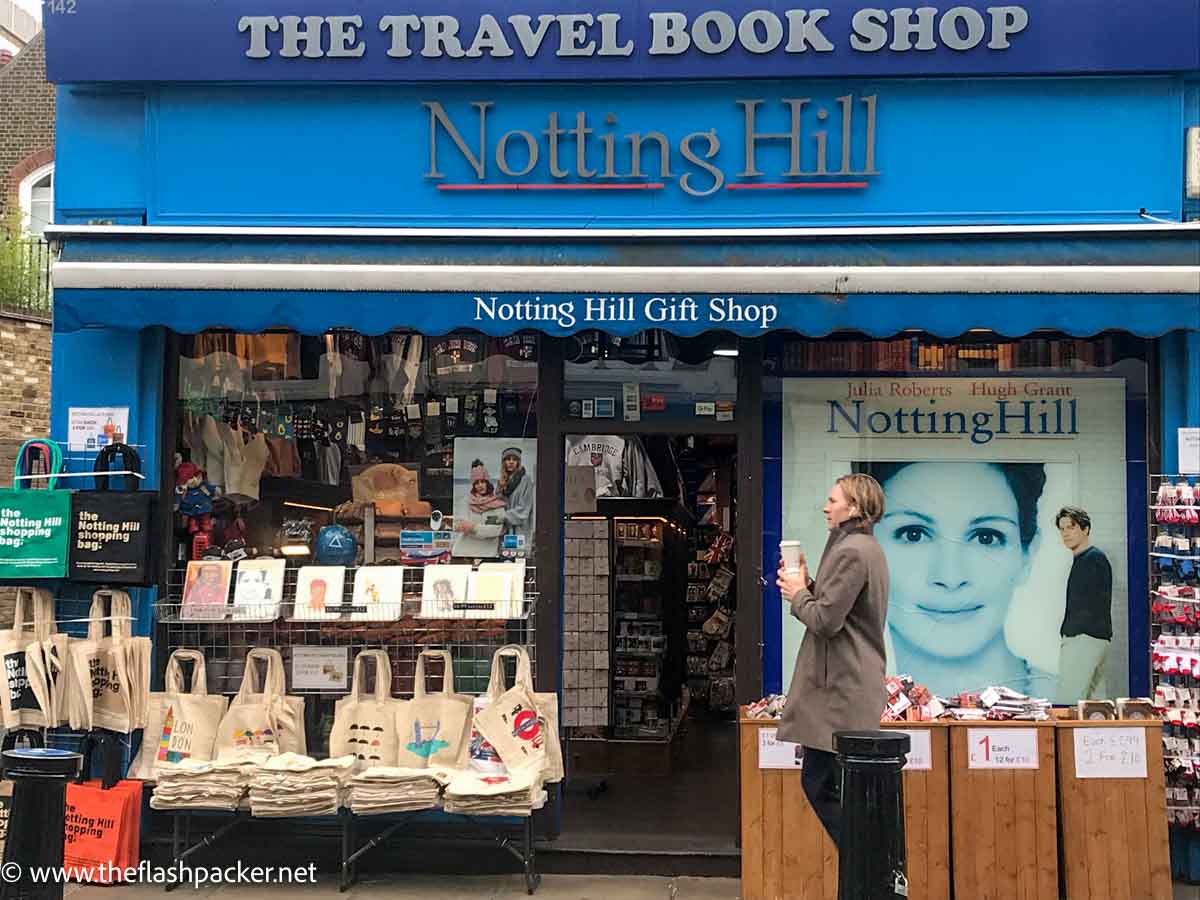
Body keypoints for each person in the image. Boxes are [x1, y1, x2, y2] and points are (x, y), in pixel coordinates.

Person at [859, 461, 1055, 698]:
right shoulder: (848, 702)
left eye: (986, 537)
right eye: (914, 534)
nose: (950, 578)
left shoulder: (1067, 697)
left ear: (1028, 554)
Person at [775, 473, 889, 847]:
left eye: (833, 500)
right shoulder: (861, 547)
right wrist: (806, 587)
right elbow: (838, 611)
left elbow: (825, 620)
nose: (826, 507)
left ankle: (868, 866)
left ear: (854, 507)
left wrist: (797, 595)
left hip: (839, 691)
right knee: (839, 789)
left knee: (823, 785)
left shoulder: (851, 551)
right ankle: (869, 867)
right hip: (845, 687)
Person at [1054, 506, 1112, 702]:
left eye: (1071, 527)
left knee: (1069, 702)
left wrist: (1071, 635)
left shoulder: (1092, 559)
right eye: (1062, 529)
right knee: (1093, 706)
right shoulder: (1087, 559)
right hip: (1094, 638)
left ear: (1085, 529)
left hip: (1083, 639)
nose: (1065, 533)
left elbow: (1091, 605)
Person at [453, 460, 507, 558]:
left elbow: (496, 531)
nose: (480, 485)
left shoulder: (497, 504)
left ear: (487, 483)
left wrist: (473, 528)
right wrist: (480, 529)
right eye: (476, 483)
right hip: (463, 553)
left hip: (488, 554)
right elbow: (459, 525)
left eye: (483, 481)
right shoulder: (466, 501)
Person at [497, 447, 535, 552]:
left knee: (518, 557)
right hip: (504, 529)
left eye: (514, 459)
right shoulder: (501, 482)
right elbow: (496, 504)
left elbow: (525, 508)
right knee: (504, 558)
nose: (511, 462)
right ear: (504, 462)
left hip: (519, 529)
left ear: (518, 462)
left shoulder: (526, 480)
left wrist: (504, 516)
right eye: (508, 459)